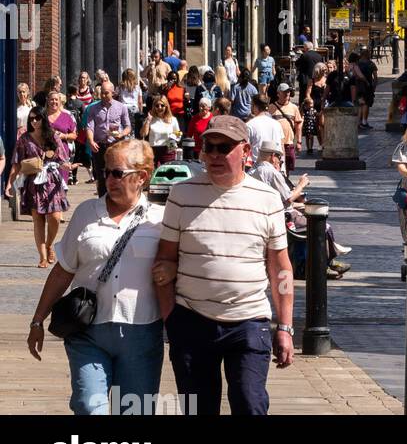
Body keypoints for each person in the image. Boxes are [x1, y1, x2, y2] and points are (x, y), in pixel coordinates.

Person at [152, 115, 294, 415]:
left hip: (249, 320)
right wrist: (171, 319)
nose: (214, 155)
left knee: (250, 403)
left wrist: (284, 327)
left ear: (245, 151)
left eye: (224, 147)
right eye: (210, 147)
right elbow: (165, 259)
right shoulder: (182, 195)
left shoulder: (267, 200)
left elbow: (280, 269)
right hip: (191, 320)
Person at [26, 138, 164, 414]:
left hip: (141, 332)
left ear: (142, 177)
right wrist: (38, 320)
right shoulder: (86, 213)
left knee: (136, 411)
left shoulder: (161, 219)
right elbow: (64, 269)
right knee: (90, 407)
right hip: (88, 330)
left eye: (117, 173)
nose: (109, 179)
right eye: (105, 172)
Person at [251, 142, 350, 278]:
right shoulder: (271, 172)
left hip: (266, 213)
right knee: (323, 227)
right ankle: (325, 263)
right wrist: (301, 184)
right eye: (279, 159)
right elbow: (288, 198)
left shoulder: (253, 171)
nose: (279, 162)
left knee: (309, 211)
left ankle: (328, 258)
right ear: (273, 156)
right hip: (282, 216)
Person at [6, 110, 71, 265]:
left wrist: (68, 166)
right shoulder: (24, 139)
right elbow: (16, 162)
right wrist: (9, 183)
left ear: (43, 119)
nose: (34, 121)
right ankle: (42, 257)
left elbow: (63, 158)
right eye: (31, 119)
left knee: (55, 218)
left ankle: (49, 245)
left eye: (37, 118)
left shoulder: (53, 137)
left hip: (52, 182)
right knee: (38, 220)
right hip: (33, 183)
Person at [86, 82, 133, 200]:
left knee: (116, 173)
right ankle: (102, 201)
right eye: (102, 93)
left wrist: (122, 134)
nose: (103, 95)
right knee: (101, 176)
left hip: (115, 145)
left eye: (106, 93)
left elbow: (128, 126)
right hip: (99, 145)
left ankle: (117, 199)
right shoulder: (93, 108)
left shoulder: (121, 107)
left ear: (113, 93)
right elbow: (89, 127)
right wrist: (91, 141)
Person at [246, 94, 286, 170]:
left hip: (258, 169)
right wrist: (283, 169)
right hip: (276, 168)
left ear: (255, 106)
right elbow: (282, 147)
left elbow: (245, 150)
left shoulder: (249, 125)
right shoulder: (277, 124)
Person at [141, 96, 182, 167]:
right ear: (154, 107)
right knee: (153, 174)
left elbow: (178, 134)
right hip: (153, 150)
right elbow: (143, 134)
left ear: (166, 106)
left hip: (168, 149)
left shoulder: (173, 119)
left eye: (162, 105)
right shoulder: (150, 119)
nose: (159, 107)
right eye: (157, 105)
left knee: (167, 173)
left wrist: (173, 137)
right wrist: (147, 121)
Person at [271, 84, 302, 170]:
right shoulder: (271, 108)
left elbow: (298, 125)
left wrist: (299, 142)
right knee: (276, 166)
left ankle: (286, 180)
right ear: (278, 93)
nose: (287, 93)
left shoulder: (294, 108)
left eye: (288, 91)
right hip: (276, 143)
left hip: (288, 143)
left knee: (288, 166)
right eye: (284, 92)